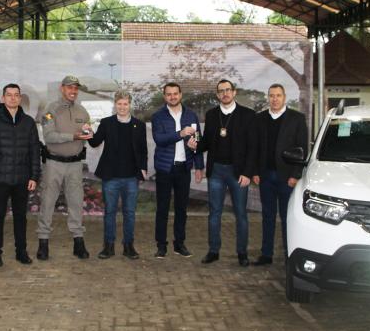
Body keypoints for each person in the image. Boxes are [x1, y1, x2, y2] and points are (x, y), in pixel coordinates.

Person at [189, 79, 256, 266]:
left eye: (228, 90)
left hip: (238, 172)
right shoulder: (211, 115)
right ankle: (213, 250)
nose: (224, 93)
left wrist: (248, 173)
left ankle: (242, 253)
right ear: (217, 95)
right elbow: (206, 143)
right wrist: (195, 145)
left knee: (241, 214)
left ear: (234, 92)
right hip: (216, 171)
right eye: (221, 91)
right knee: (214, 213)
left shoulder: (248, 115)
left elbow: (253, 147)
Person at [0, 83, 41, 267]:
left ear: (20, 98)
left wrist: (34, 176)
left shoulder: (29, 122)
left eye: (16, 95)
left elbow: (34, 151)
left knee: (20, 218)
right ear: (3, 98)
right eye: (9, 95)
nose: (13, 98)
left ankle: (21, 252)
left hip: (22, 179)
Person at [251, 83, 308, 266]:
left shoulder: (296, 119)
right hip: (265, 176)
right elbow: (255, 147)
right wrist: (255, 172)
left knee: (286, 217)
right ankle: (266, 254)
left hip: (287, 178)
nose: (274, 99)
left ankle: (288, 255)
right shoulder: (259, 119)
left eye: (278, 95)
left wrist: (295, 175)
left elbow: (302, 149)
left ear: (284, 97)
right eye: (271, 95)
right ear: (268, 98)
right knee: (267, 216)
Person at [37, 75, 92, 260]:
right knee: (47, 202)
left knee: (76, 203)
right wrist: (73, 136)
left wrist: (88, 134)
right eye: (70, 88)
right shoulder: (50, 110)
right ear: (62, 88)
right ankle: (43, 242)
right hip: (54, 163)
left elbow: (86, 134)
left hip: (75, 164)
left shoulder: (83, 112)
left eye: (76, 88)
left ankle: (78, 242)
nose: (73, 91)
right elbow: (49, 136)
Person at [87, 91, 148, 259]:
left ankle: (129, 246)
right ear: (115, 105)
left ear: (130, 105)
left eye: (125, 104)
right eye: (119, 104)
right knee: (110, 212)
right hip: (111, 176)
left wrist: (143, 168)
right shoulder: (107, 123)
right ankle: (108, 247)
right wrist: (89, 132)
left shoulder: (139, 125)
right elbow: (95, 142)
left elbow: (143, 150)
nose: (122, 107)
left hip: (131, 178)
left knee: (129, 212)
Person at [151, 82, 205, 258]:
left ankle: (179, 244)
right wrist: (180, 134)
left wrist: (199, 166)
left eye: (175, 93)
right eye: (169, 94)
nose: (172, 96)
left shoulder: (191, 115)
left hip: (184, 168)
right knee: (162, 208)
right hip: (164, 169)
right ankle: (161, 245)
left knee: (181, 208)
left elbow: (198, 141)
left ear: (181, 95)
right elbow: (159, 139)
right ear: (164, 96)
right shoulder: (158, 116)